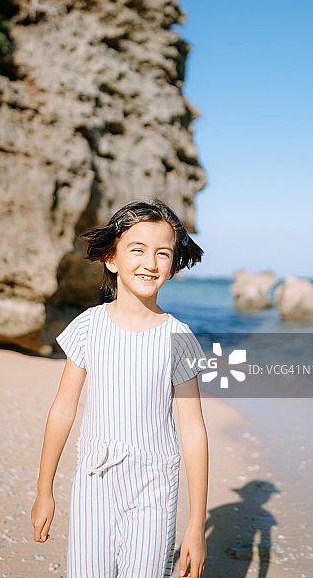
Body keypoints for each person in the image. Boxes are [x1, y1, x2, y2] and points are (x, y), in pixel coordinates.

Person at [30, 199, 209, 578]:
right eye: (137, 250)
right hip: (94, 480)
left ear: (173, 265)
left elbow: (193, 429)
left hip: (155, 485)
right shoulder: (88, 326)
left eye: (163, 253)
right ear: (112, 258)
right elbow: (63, 409)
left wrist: (196, 525)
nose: (151, 263)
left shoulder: (178, 337)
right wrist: (44, 490)